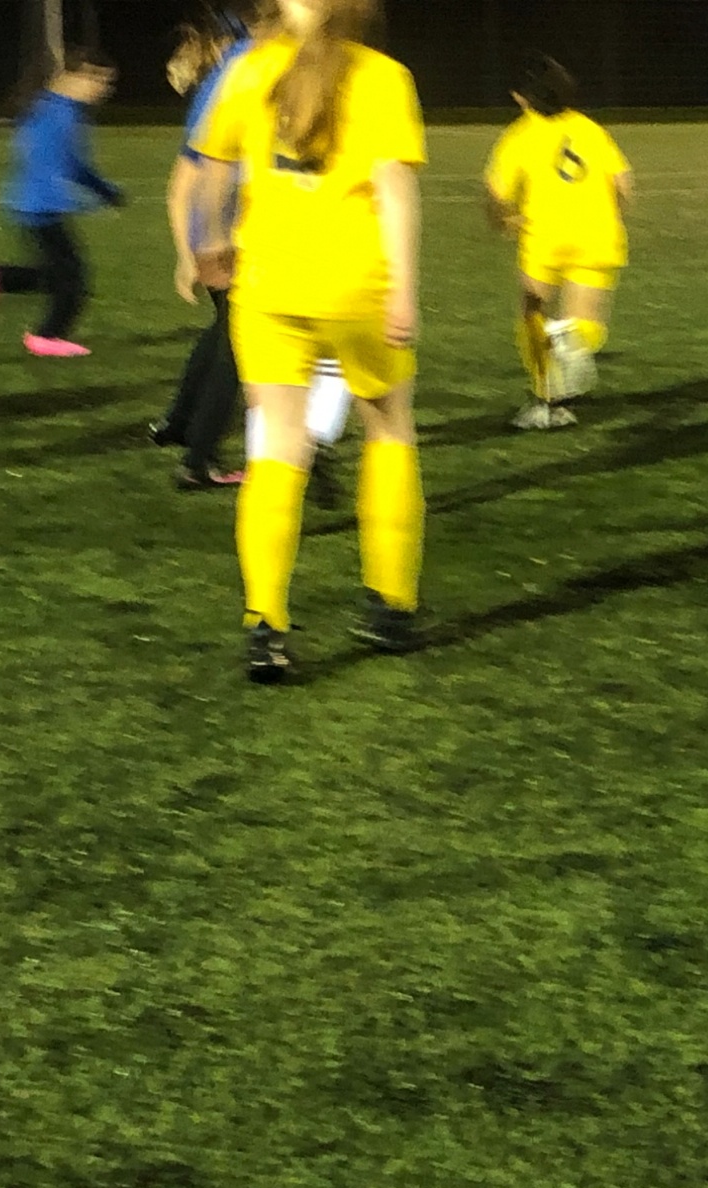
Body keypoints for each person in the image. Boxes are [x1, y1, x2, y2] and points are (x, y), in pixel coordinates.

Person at [191, 0, 426, 682]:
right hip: (357, 286)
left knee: (276, 446)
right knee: (389, 425)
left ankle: (265, 626)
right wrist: (404, 288)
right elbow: (394, 188)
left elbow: (210, 169)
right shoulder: (382, 75)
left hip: (268, 285)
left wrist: (210, 243)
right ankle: (390, 605)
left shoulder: (248, 71)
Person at [0, 47, 124, 356]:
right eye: (99, 80)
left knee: (48, 276)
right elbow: (47, 166)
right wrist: (86, 203)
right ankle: (47, 337)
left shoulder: (57, 108)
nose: (104, 89)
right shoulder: (57, 114)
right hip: (41, 208)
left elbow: (74, 165)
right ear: (75, 76)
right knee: (73, 280)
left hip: (33, 205)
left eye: (107, 83)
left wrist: (105, 191)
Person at [483, 55, 633, 431]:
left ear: (521, 97)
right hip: (598, 236)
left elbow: (496, 195)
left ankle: (546, 402)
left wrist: (503, 222)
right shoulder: (590, 129)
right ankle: (570, 349)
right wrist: (612, 215)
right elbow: (624, 184)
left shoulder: (519, 135)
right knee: (583, 325)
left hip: (545, 238)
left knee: (533, 314)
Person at [150, 11, 254, 488]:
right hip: (237, 234)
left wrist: (187, 250)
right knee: (239, 344)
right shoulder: (252, 67)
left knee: (223, 332)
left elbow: (180, 183)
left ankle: (177, 423)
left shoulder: (221, 75)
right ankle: (198, 460)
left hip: (211, 232)